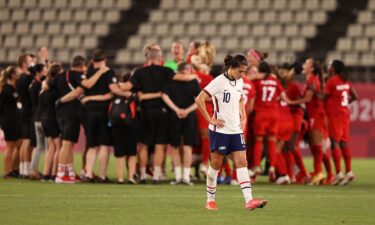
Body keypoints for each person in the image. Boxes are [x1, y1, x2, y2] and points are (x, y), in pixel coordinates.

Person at [195, 54, 267, 211]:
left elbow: (240, 98)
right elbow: (199, 99)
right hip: (220, 131)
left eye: (244, 71)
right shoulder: (218, 82)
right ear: (232, 68)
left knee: (242, 162)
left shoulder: (240, 81)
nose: (243, 75)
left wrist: (243, 115)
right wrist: (209, 119)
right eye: (241, 71)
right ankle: (210, 200)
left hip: (235, 130)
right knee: (215, 166)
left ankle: (249, 200)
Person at [120, 48, 175, 184]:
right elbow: (180, 78)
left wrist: (113, 84)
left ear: (147, 59)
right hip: (163, 112)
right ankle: (156, 176)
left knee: (143, 145)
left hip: (145, 112)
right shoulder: (166, 71)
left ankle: (143, 175)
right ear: (159, 58)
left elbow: (126, 87)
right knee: (159, 146)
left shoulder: (139, 72)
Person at [251, 61, 295, 184]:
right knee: (271, 141)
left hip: (261, 113)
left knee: (259, 141)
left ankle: (257, 167)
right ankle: (271, 168)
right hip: (274, 114)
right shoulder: (275, 81)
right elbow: (284, 97)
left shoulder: (256, 81)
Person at [162, 62, 200, 185]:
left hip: (174, 116)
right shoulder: (193, 81)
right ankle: (186, 177)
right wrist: (187, 111)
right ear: (188, 69)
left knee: (175, 147)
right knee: (187, 146)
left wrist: (176, 109)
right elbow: (199, 101)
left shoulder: (171, 81)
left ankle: (178, 177)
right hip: (189, 116)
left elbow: (164, 96)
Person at [323, 60, 358, 185]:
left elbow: (324, 97)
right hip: (345, 113)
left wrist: (315, 91)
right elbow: (355, 96)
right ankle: (348, 172)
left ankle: (338, 174)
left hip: (334, 115)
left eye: (330, 65)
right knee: (344, 142)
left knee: (335, 143)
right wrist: (344, 104)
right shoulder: (345, 81)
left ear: (334, 68)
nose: (328, 67)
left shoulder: (332, 81)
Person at [0, 66, 20, 178]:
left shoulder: (12, 88)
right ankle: (6, 171)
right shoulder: (7, 89)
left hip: (11, 119)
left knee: (14, 145)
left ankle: (11, 169)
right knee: (10, 146)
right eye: (17, 73)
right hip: (8, 120)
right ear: (12, 75)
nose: (18, 75)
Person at [29, 64, 48, 179]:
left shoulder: (32, 84)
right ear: (39, 72)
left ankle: (33, 170)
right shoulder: (39, 86)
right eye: (45, 70)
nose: (46, 72)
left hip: (36, 117)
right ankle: (47, 171)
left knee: (39, 146)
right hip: (43, 117)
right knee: (47, 146)